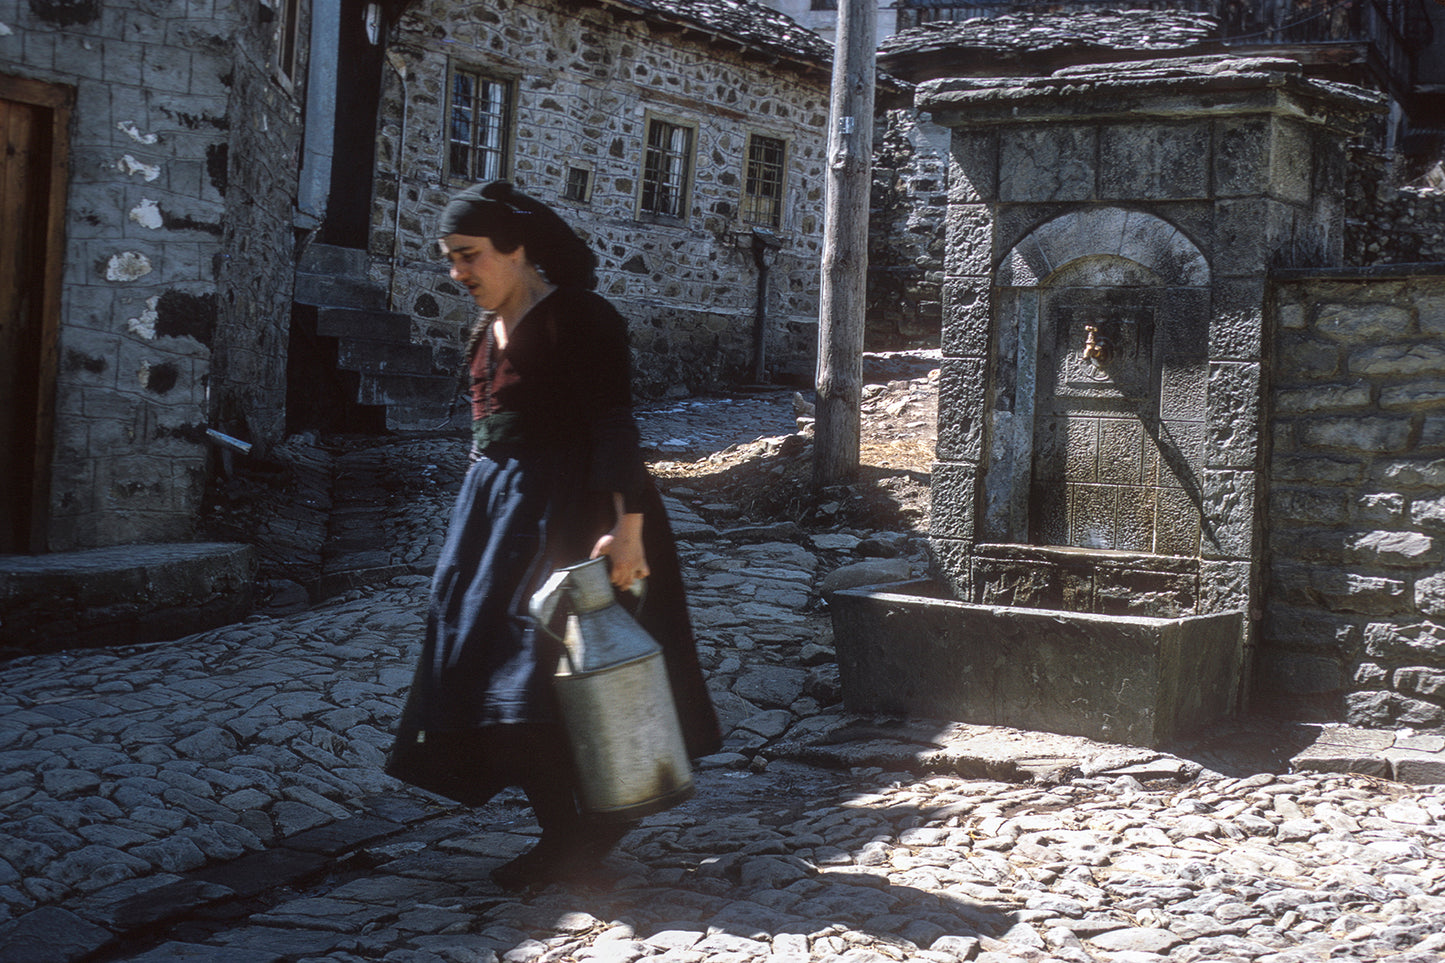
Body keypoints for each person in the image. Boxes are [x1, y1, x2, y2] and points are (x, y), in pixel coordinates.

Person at [385, 180, 721, 890]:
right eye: (450, 258)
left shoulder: (579, 318)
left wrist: (627, 530)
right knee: (478, 665)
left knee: (543, 672)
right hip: (496, 523)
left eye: (469, 255)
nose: (458, 273)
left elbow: (613, 425)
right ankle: (569, 825)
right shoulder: (486, 330)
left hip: (572, 518)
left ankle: (581, 829)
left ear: (518, 249)